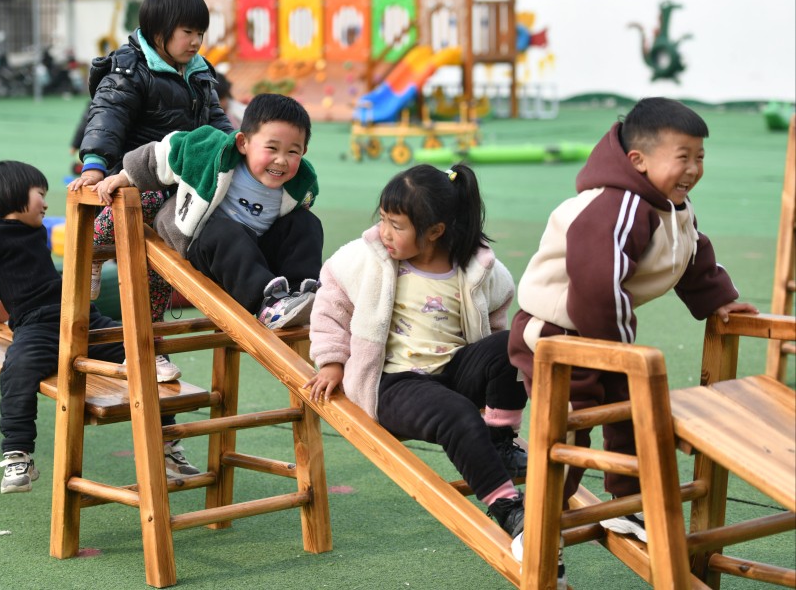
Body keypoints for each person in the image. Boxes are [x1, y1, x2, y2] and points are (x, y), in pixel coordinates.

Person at [508, 97, 758, 545]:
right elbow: (598, 287)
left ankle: (627, 506)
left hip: (601, 333)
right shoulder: (615, 208)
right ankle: (538, 526)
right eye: (682, 157)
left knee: (631, 415)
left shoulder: (671, 202)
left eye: (700, 156)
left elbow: (692, 252)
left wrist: (718, 298)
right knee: (568, 426)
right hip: (554, 333)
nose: (694, 169)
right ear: (637, 160)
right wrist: (621, 353)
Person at [304, 164, 532, 531]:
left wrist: (494, 381)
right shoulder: (367, 260)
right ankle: (507, 508)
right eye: (383, 220)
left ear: (435, 232)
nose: (385, 232)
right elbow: (331, 305)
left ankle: (500, 440)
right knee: (458, 413)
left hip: (453, 371)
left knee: (513, 344)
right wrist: (332, 361)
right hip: (396, 383)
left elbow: (496, 319)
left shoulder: (475, 267)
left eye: (397, 225)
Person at [0, 161, 193, 492]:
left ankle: (168, 442)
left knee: (140, 351)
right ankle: (18, 454)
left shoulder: (36, 231)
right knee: (16, 371)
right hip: (36, 325)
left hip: (80, 315)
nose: (46, 203)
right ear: (12, 193)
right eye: (40, 194)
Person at [67, 0, 233, 383]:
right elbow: (106, 115)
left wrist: (237, 149)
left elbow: (216, 122)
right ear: (159, 31)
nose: (195, 42)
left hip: (176, 176)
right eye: (187, 33)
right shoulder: (129, 68)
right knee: (144, 206)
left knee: (161, 262)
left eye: (200, 33)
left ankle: (146, 347)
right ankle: (96, 245)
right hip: (132, 175)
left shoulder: (200, 72)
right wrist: (94, 163)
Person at [92, 93, 323, 330]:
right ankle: (269, 303)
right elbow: (165, 153)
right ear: (243, 143)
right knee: (227, 231)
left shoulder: (301, 183)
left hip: (254, 254)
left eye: (292, 152)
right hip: (206, 246)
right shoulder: (213, 154)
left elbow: (295, 236)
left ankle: (299, 291)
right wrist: (124, 176)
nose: (281, 160)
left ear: (303, 151)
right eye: (272, 148)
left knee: (306, 222)